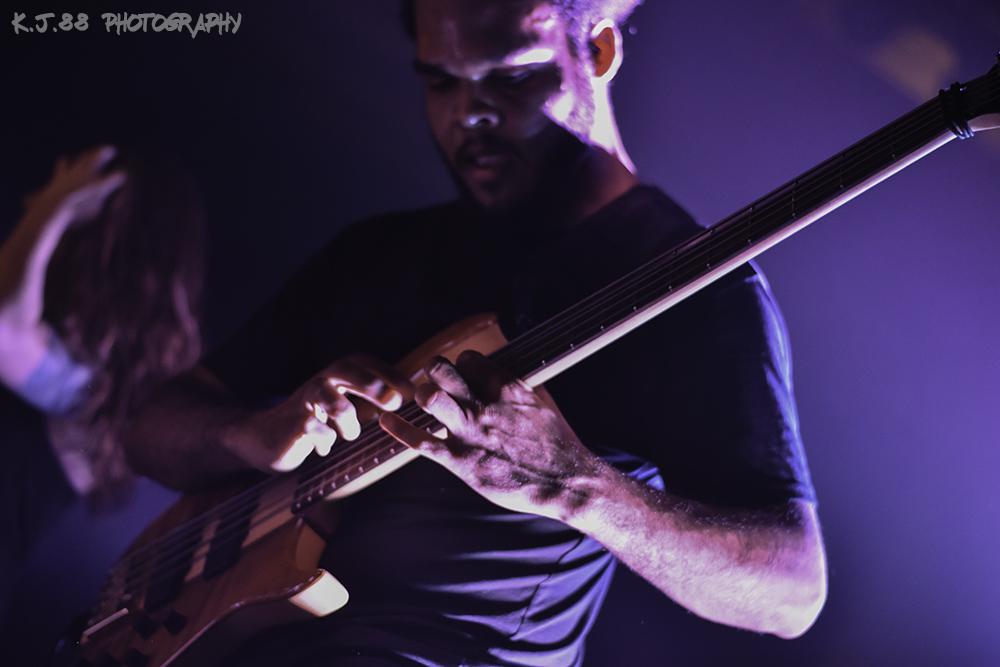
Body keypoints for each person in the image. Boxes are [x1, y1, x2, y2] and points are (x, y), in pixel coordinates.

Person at [123, 0, 827, 664]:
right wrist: (248, 433)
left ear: (599, 49)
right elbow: (148, 428)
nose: (470, 114)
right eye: (440, 81)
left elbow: (792, 591)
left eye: (512, 77)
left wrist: (578, 487)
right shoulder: (375, 253)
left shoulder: (697, 289)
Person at [0, 146, 205, 623]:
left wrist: (54, 208)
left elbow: (3, 330)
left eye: (63, 188)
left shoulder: (105, 392)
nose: (33, 199)